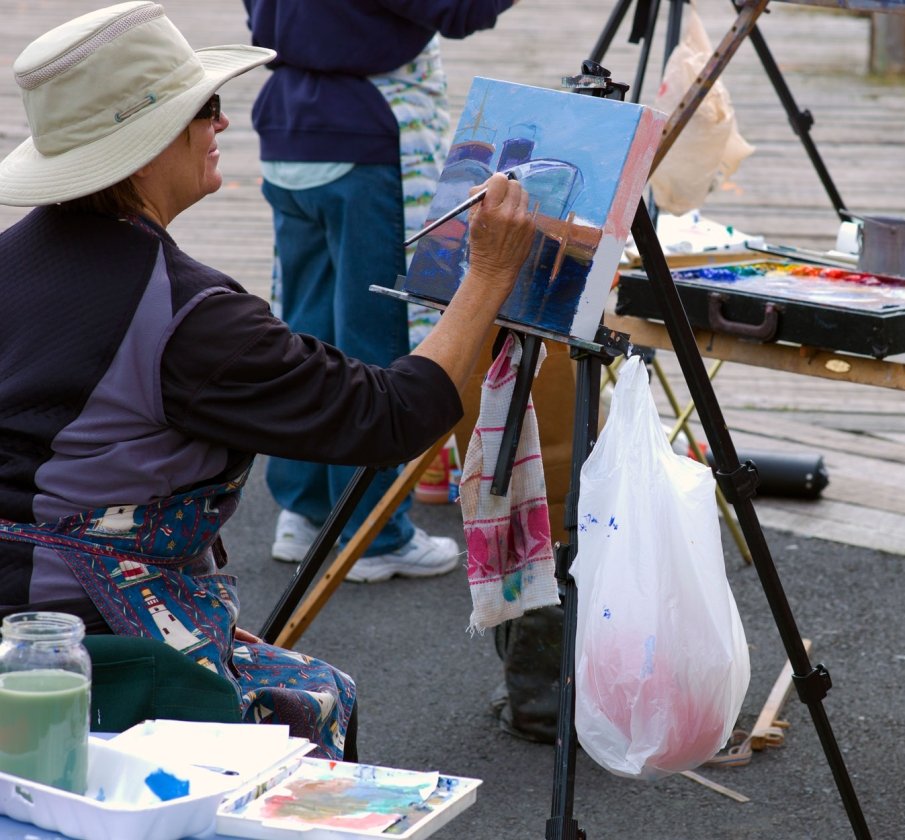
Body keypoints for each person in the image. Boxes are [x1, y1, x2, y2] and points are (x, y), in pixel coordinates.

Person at [0, 2, 534, 760]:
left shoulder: (15, 258)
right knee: (309, 697)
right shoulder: (190, 318)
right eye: (205, 109)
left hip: (29, 619)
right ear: (148, 145)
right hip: (77, 640)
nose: (223, 125)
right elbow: (389, 418)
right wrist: (489, 274)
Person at [242, 0, 521, 582]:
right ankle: (373, 534)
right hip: (366, 130)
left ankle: (306, 506)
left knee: (304, 332)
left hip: (290, 124)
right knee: (374, 335)